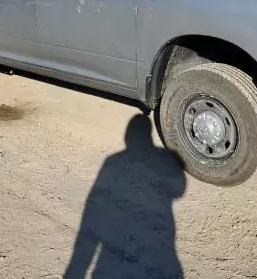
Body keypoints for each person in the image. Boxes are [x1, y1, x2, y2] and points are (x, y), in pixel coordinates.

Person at [64, 114, 186, 279]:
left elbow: (92, 211)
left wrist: (75, 271)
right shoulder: (163, 157)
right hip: (159, 253)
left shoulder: (113, 162)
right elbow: (179, 189)